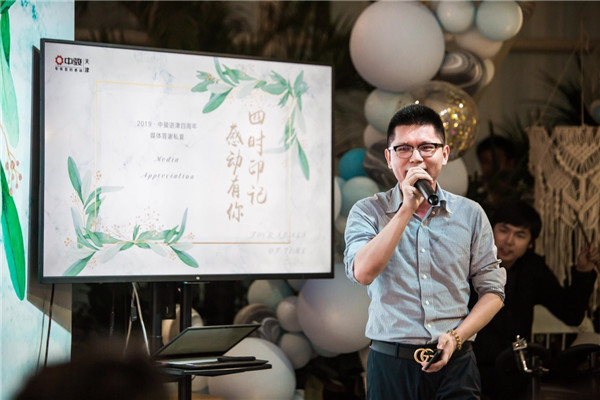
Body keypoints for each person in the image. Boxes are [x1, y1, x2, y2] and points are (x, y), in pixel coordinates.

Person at [344, 104, 506, 400]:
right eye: (404, 148)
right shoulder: (368, 212)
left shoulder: (470, 214)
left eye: (427, 147)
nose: (416, 157)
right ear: (389, 157)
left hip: (456, 362)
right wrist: (406, 208)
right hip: (391, 363)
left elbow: (493, 292)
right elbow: (362, 272)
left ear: (444, 154)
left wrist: (456, 337)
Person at [471, 201, 599, 400]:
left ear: (530, 243)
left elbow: (571, 314)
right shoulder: (469, 262)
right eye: (503, 230)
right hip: (471, 369)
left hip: (515, 371)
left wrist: (583, 272)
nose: (509, 241)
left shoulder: (532, 267)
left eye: (520, 235)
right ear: (490, 230)